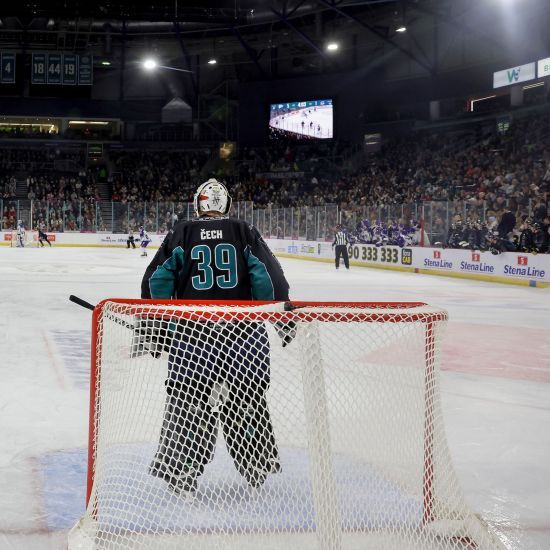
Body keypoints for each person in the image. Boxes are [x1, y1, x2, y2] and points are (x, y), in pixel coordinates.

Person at [141, 178, 291, 496]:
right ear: (226, 205)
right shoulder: (243, 231)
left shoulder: (182, 232)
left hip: (193, 337)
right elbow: (270, 280)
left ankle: (181, 469)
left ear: (199, 205)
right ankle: (256, 463)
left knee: (188, 403)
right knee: (247, 401)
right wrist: (283, 322)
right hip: (243, 335)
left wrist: (156, 331)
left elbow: (156, 281)